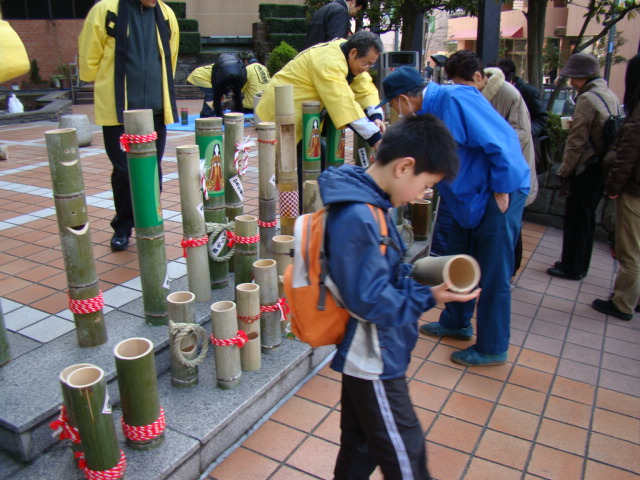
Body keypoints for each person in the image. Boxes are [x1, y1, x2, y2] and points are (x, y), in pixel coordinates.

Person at [319, 115, 479, 479]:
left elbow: (382, 276)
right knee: (407, 457)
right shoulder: (360, 215)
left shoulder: (371, 204)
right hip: (374, 356)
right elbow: (369, 300)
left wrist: (424, 285)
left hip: (373, 350)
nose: (423, 194)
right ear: (405, 166)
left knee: (360, 448)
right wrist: (429, 298)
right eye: (426, 184)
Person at [378, 66, 530, 367]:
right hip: (463, 198)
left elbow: (501, 142)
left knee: (494, 271)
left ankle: (493, 347)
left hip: (494, 193)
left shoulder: (455, 99)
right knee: (457, 259)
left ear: (406, 97)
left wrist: (502, 189)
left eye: (394, 104)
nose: (396, 111)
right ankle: (456, 322)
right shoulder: (426, 113)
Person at [78, 0, 178, 251]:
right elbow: (89, 62)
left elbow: (170, 57)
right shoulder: (106, 10)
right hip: (118, 110)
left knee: (152, 169)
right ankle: (123, 226)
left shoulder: (165, 13)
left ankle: (148, 221)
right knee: (124, 170)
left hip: (155, 108)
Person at [256, 30, 386, 193]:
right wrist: (375, 137)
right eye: (366, 63)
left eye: (371, 65)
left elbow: (365, 87)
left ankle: (313, 205)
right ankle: (305, 210)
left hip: (306, 119)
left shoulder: (346, 54)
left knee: (318, 156)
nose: (367, 69)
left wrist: (376, 116)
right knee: (298, 165)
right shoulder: (329, 60)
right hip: (282, 111)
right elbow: (342, 102)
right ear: (353, 53)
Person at [547, 53, 620, 280]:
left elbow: (576, 141)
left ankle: (571, 266)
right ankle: (580, 265)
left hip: (586, 167)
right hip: (602, 165)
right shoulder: (609, 95)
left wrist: (565, 170)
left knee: (576, 219)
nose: (571, 82)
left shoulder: (587, 99)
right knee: (587, 219)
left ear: (582, 76)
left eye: (572, 77)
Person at [592, 53, 640, 320]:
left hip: (635, 192)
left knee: (630, 251)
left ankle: (623, 303)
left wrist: (613, 186)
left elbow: (627, 155)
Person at [496, 58, 548, 140]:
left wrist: (525, 133)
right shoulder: (492, 92)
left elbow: (541, 118)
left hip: (523, 141)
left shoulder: (528, 92)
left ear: (511, 80)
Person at [211, 53, 246, 118]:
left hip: (223, 76)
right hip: (238, 76)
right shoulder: (238, 60)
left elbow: (214, 76)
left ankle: (219, 117)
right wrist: (241, 85)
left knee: (217, 99)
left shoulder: (218, 61)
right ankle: (240, 116)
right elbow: (244, 71)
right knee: (238, 96)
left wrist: (216, 90)